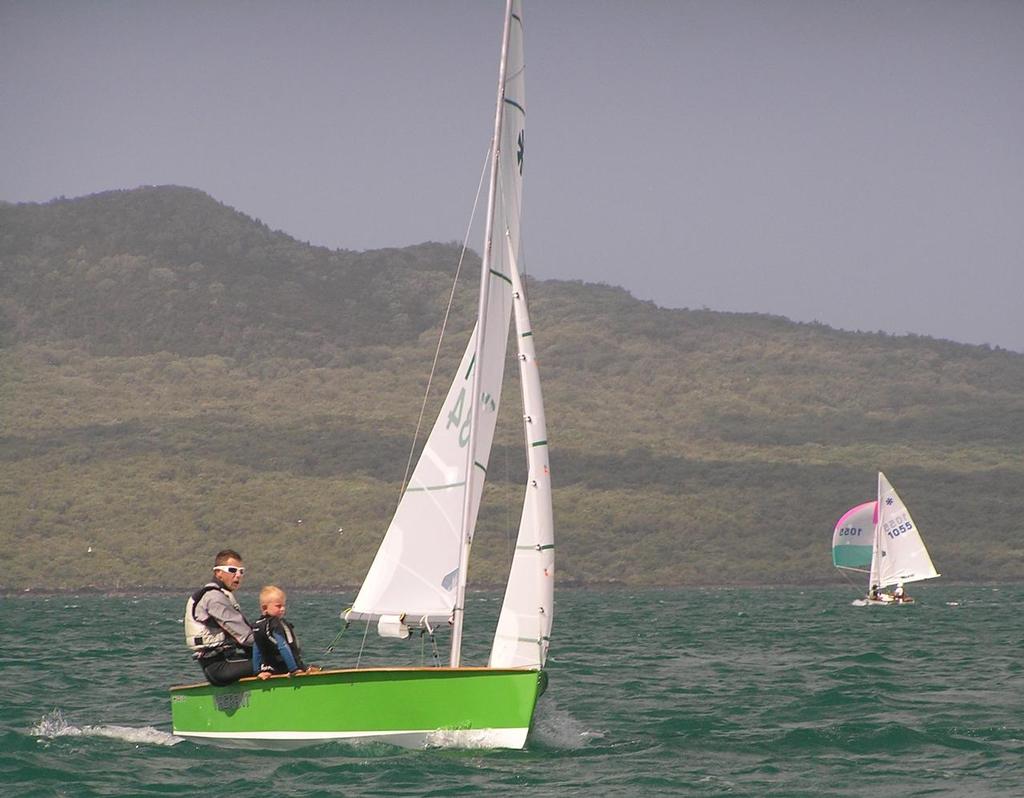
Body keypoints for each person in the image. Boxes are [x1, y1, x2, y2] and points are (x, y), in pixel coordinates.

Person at [184, 549, 254, 686]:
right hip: (219, 666)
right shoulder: (214, 598)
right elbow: (246, 637)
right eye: (232, 570)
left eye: (241, 571)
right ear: (218, 573)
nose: (238, 575)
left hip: (224, 661)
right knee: (273, 663)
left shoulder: (222, 595)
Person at [252, 585, 318, 678]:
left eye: (283, 605)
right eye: (278, 606)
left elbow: (256, 649)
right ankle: (303, 668)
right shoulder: (274, 623)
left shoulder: (257, 625)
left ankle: (305, 668)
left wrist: (257, 671)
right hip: (284, 667)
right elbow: (282, 646)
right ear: (264, 608)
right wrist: (294, 669)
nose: (283, 609)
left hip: (269, 668)